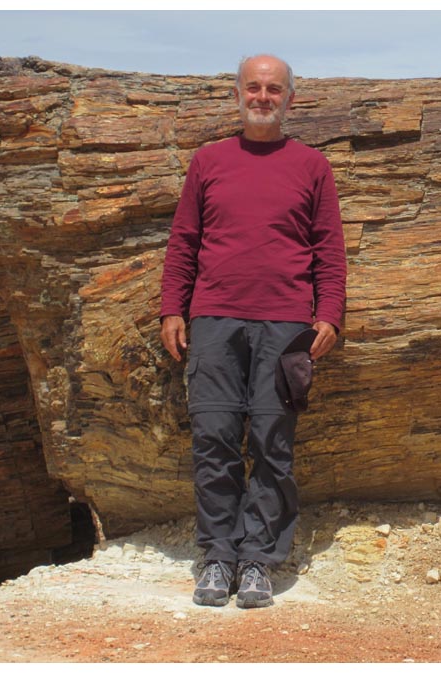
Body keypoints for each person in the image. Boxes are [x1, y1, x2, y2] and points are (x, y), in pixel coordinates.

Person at [159, 54, 346, 609]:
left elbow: (328, 251)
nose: (263, 97)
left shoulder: (312, 166)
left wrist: (330, 313)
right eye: (253, 88)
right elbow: (184, 242)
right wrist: (173, 308)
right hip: (214, 320)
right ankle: (217, 557)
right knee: (213, 440)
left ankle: (258, 560)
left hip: (286, 324)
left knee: (272, 444)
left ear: (291, 99)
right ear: (236, 95)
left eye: (274, 89)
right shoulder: (208, 161)